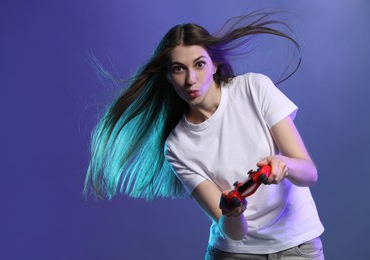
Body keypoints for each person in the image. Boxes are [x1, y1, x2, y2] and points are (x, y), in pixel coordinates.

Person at [84, 11, 325, 259]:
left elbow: (309, 173)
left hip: (299, 245)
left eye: (199, 64)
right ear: (168, 76)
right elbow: (235, 233)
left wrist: (283, 163)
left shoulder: (255, 88)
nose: (190, 79)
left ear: (214, 65)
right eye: (179, 69)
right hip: (236, 253)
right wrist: (233, 213)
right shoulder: (177, 146)